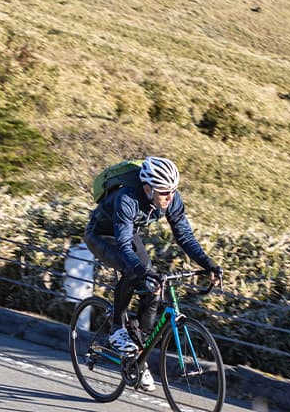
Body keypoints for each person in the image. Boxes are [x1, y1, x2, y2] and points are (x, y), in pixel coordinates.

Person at [84, 156, 221, 391]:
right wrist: (141, 272)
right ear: (148, 188)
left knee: (155, 283)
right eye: (164, 192)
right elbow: (125, 246)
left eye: (173, 191)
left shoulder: (171, 198)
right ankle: (117, 329)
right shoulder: (127, 198)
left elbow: (184, 236)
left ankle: (138, 355)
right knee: (135, 271)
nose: (170, 197)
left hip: (126, 234)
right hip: (101, 236)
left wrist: (208, 264)